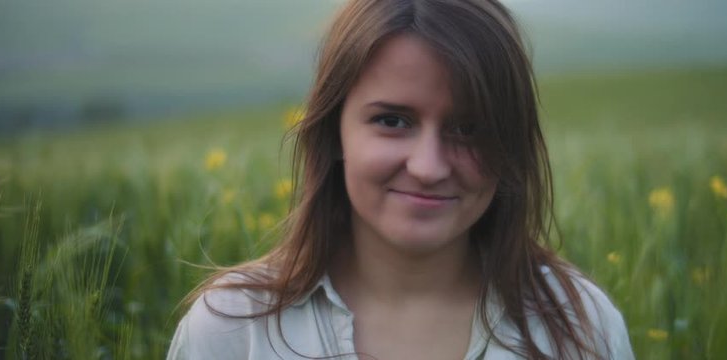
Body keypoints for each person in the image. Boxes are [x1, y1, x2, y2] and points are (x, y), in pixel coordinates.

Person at [167, 0, 634, 359]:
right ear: (334, 131)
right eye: (393, 121)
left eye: (468, 129)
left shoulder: (580, 327)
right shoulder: (233, 331)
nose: (428, 167)